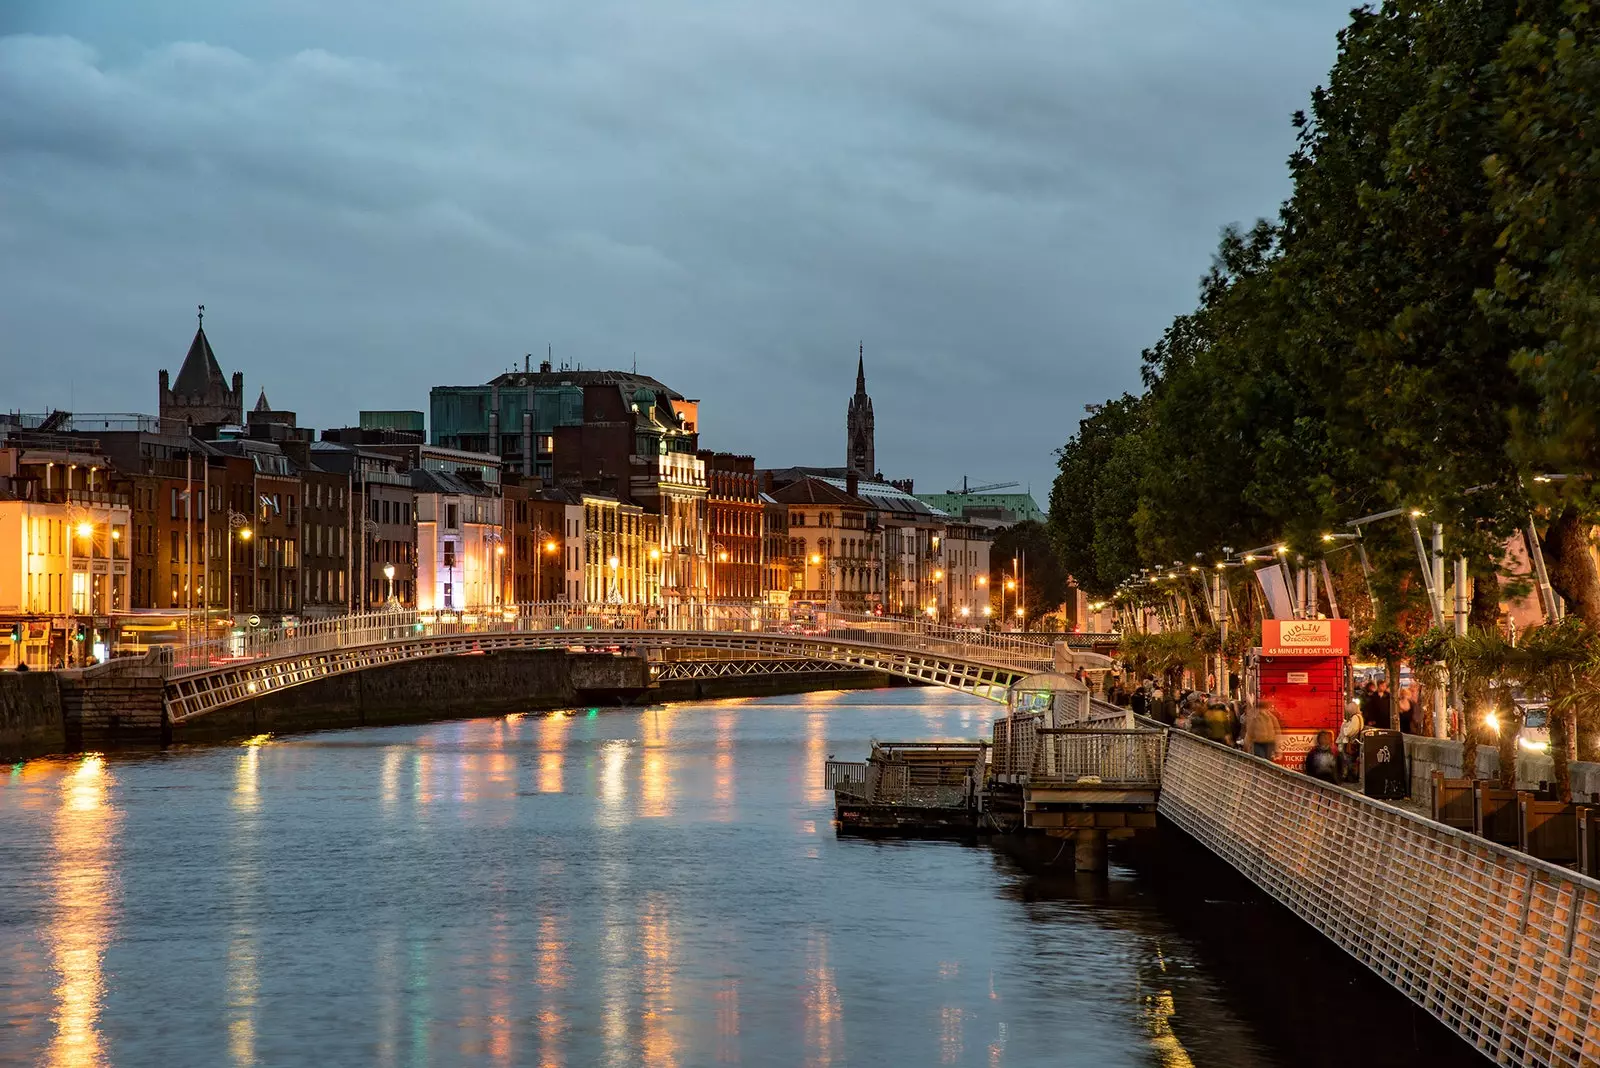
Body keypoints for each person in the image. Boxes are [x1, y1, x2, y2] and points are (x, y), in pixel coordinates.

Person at [1337, 696, 1364, 782]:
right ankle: (1350, 776)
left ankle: (1350, 777)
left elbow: (1349, 731)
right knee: (1350, 760)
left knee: (1349, 760)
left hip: (1351, 742)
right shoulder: (1359, 717)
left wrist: (1345, 727)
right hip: (1354, 741)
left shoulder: (1355, 718)